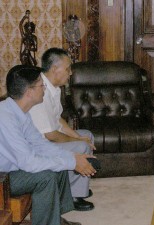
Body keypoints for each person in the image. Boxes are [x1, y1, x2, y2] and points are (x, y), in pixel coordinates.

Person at [0, 65, 97, 225]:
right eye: (41, 85)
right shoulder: (5, 118)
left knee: (59, 166)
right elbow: (29, 162)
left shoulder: (20, 111)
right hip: (3, 178)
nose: (44, 87)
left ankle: (54, 219)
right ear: (29, 92)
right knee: (46, 177)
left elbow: (40, 144)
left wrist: (72, 157)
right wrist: (71, 162)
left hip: (13, 168)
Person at [29, 47, 96, 211]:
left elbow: (57, 119)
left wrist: (77, 136)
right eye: (67, 69)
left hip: (49, 139)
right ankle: (70, 196)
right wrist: (77, 140)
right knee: (82, 146)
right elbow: (51, 135)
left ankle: (77, 192)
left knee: (87, 135)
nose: (71, 73)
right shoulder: (39, 90)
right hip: (37, 147)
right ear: (54, 69)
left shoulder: (55, 88)